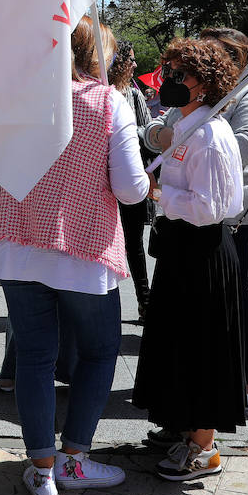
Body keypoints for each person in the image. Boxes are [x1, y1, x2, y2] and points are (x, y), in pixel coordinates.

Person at [0, 20, 149, 495]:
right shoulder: (109, 103)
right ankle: (74, 458)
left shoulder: (22, 99)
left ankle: (41, 470)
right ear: (97, 56)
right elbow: (129, 189)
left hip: (17, 246)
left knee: (35, 358)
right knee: (100, 353)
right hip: (82, 249)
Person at [133, 37, 245, 481]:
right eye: (169, 71)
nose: (171, 81)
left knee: (202, 348)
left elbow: (212, 207)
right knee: (178, 344)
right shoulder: (184, 124)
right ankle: (183, 431)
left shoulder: (212, 135)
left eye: (182, 74)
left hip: (203, 252)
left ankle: (204, 449)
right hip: (180, 250)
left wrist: (159, 192)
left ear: (206, 83)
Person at [109, 41, 159, 319]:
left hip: (131, 175)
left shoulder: (133, 94)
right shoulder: (101, 92)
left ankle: (145, 300)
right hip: (101, 182)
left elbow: (147, 133)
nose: (135, 64)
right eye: (130, 59)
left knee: (133, 243)